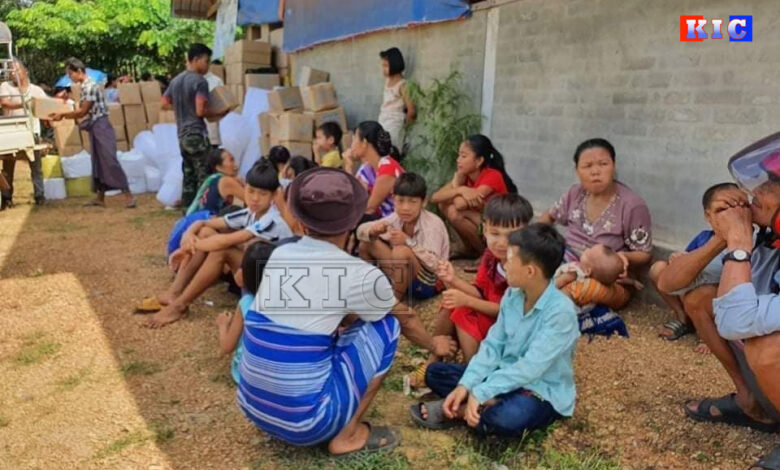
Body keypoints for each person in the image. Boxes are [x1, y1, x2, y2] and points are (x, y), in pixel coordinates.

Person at [237, 167, 401, 456]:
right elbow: (399, 316)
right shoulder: (358, 273)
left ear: (300, 222)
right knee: (388, 325)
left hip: (252, 406)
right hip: (308, 424)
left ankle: (284, 406)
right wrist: (434, 344)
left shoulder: (278, 254)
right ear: (352, 222)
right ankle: (347, 435)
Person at [409, 224, 579, 437]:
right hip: (501, 374)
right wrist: (466, 385)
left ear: (530, 271)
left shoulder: (561, 313)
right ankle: (485, 404)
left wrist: (481, 391)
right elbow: (493, 346)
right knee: (435, 373)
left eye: (510, 259)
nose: (504, 264)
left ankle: (466, 410)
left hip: (539, 389)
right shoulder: (513, 295)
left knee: (508, 418)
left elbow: (530, 368)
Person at [677, 136, 780, 467]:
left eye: (771, 184)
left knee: (767, 348)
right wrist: (722, 237)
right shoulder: (769, 242)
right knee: (701, 299)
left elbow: (737, 321)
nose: (757, 191)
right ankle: (752, 402)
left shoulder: (749, 243)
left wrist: (737, 243)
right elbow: (670, 282)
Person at [142, 161, 293, 328]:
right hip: (255, 273)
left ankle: (179, 306)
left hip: (276, 286)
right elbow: (204, 223)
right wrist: (189, 234)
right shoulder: (250, 213)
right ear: (245, 188)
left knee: (221, 250)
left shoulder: (271, 220)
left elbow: (226, 241)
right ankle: (174, 293)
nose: (255, 198)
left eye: (262, 194)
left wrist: (188, 246)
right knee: (206, 232)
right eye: (251, 191)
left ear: (273, 196)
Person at [405, 193, 533, 391]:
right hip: (494, 319)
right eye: (495, 233)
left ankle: (471, 369)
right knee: (451, 303)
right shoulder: (491, 257)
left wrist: (467, 301)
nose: (501, 242)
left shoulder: (523, 266)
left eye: (510, 236)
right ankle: (434, 358)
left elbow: (507, 310)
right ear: (485, 229)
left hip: (512, 331)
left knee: (462, 310)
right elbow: (479, 292)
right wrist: (452, 280)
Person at [539, 138, 652, 309]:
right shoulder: (574, 193)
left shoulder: (632, 205)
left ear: (614, 166)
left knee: (575, 290)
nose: (595, 172)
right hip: (566, 261)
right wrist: (535, 240)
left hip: (608, 278)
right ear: (577, 170)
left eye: (603, 164)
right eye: (587, 166)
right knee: (532, 273)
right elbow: (549, 215)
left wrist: (621, 257)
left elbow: (644, 253)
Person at [357, 173, 456, 360]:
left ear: (423, 202)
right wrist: (373, 230)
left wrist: (408, 242)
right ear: (393, 199)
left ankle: (393, 302)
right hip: (404, 273)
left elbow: (435, 264)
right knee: (367, 243)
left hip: (428, 281)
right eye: (400, 201)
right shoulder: (395, 218)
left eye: (412, 202)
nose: (405, 207)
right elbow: (360, 231)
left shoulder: (432, 224)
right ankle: (371, 289)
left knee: (401, 251)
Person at [651, 183, 741, 353]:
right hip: (696, 283)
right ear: (708, 215)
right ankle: (683, 318)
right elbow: (686, 259)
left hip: (719, 295)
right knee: (659, 270)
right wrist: (678, 258)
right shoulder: (704, 238)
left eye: (738, 207)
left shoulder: (754, 239)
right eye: (722, 210)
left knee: (701, 293)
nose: (730, 215)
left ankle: (710, 333)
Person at [50, 58, 135, 209]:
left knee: (109, 160)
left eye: (70, 74)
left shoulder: (89, 87)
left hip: (101, 126)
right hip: (97, 126)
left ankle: (128, 196)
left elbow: (83, 111)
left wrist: (63, 115)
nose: (70, 77)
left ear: (79, 71)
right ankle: (100, 198)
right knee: (98, 162)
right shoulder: (85, 86)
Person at [161, 43, 228, 210]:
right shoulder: (200, 81)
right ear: (197, 59)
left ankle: (187, 211)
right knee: (204, 176)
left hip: (182, 136)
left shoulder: (176, 81)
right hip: (196, 134)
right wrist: (219, 111)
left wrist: (182, 107)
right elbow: (200, 111)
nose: (208, 66)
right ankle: (203, 211)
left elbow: (164, 103)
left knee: (189, 176)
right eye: (206, 61)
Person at [431, 134, 518, 259]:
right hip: (482, 221)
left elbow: (460, 204)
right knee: (444, 204)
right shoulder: (464, 176)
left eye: (463, 156)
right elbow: (435, 197)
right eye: (459, 155)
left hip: (499, 224)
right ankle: (470, 250)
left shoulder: (492, 176)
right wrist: (460, 189)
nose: (458, 160)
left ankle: (485, 255)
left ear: (479, 161)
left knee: (454, 211)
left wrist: (456, 187)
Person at [217, 241, 278, 384]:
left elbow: (227, 346)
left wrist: (223, 325)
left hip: (247, 377)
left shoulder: (246, 304)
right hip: (280, 376)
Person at [0, 58, 47, 208]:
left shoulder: (36, 90)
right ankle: (7, 197)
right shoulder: (5, 86)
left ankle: (39, 196)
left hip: (32, 132)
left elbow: (46, 107)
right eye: (10, 71)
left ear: (25, 71)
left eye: (16, 70)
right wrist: (25, 104)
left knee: (36, 166)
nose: (13, 73)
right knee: (8, 167)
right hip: (11, 132)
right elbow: (5, 102)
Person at [350, 121, 405, 218]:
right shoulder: (367, 168)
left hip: (399, 220)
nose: (352, 146)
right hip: (383, 219)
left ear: (364, 143)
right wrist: (348, 165)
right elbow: (353, 197)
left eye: (354, 139)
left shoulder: (388, 168)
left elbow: (370, 208)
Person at [554, 243, 633, 311]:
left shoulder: (575, 272)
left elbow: (559, 282)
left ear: (588, 271)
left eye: (589, 253)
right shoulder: (589, 273)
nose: (587, 249)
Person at [377, 47, 416, 149]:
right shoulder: (387, 80)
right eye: (383, 66)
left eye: (386, 66)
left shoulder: (402, 85)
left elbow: (411, 110)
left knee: (391, 150)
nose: (383, 69)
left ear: (395, 64)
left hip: (394, 125)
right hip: (383, 121)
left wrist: (406, 129)